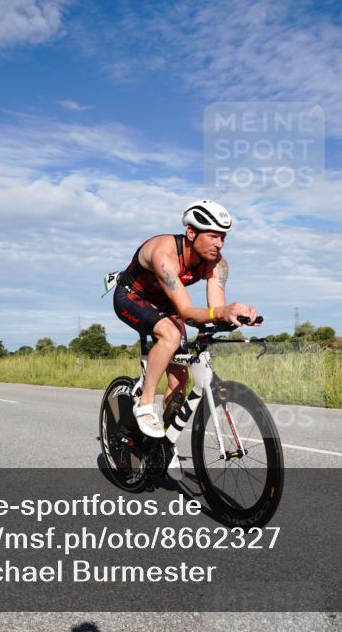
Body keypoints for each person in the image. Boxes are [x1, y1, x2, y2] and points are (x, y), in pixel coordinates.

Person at [113, 199, 257, 477]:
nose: (220, 244)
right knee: (168, 335)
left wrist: (234, 314)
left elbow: (215, 309)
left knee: (180, 379)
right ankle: (145, 403)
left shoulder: (217, 264)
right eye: (213, 236)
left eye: (223, 237)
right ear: (191, 233)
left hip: (167, 304)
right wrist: (221, 312)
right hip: (132, 297)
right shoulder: (164, 253)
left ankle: (164, 445)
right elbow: (187, 311)